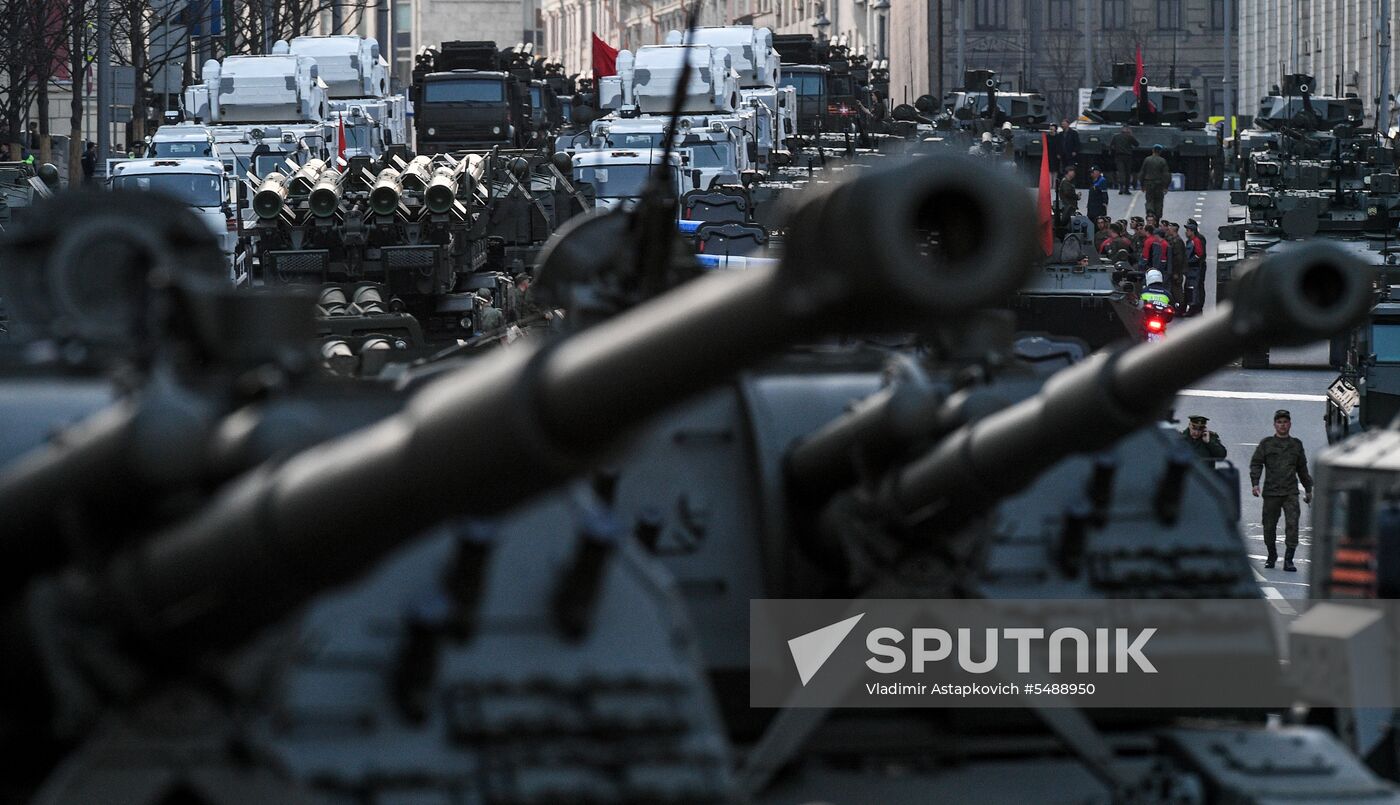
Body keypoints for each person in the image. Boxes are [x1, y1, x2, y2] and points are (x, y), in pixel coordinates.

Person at [1249, 410, 1313, 571]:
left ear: (1289, 424)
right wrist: (1255, 483)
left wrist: (1308, 489)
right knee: (1269, 526)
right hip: (1271, 492)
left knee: (1293, 525)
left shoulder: (1296, 444)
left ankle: (1289, 559)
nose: (1282, 425)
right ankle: (1272, 555)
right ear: (1274, 425)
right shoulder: (1267, 444)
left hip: (1290, 492)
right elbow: (1256, 463)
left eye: (1285, 422)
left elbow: (1302, 469)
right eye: (1279, 422)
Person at [1140, 144, 1171, 219]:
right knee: (1159, 200)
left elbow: (1142, 173)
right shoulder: (1162, 161)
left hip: (1149, 183)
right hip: (1159, 184)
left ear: (1153, 150)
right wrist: (1166, 186)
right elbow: (1166, 174)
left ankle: (1150, 212)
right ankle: (1157, 216)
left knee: (1149, 199)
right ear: (1160, 151)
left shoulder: (1147, 160)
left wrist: (1142, 185)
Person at [1183, 219, 1207, 315]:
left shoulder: (1196, 240)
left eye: (1188, 230)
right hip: (1192, 268)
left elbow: (1199, 254)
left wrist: (1189, 261)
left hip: (1195, 268)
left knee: (1194, 288)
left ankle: (1195, 307)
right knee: (1190, 288)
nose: (1186, 232)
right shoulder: (1191, 241)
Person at [1109, 126, 1138, 193]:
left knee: (1121, 172)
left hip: (1119, 156)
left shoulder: (1116, 136)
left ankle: (1121, 187)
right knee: (1127, 173)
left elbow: (1111, 145)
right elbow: (1136, 144)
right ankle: (1126, 189)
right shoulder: (1129, 137)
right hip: (1128, 156)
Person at [1167, 221, 1187, 303]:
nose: (1169, 230)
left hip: (1176, 271)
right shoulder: (1172, 240)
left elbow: (1178, 259)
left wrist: (1176, 272)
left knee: (1177, 291)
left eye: (1170, 228)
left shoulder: (1177, 241)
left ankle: (1181, 307)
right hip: (1174, 270)